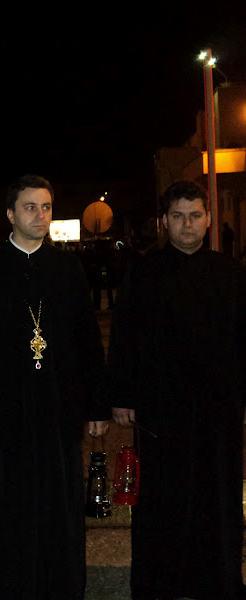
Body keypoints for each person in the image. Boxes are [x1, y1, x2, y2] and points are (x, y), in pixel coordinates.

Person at [0, 174, 108, 600]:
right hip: (8, 409)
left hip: (60, 405)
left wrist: (97, 404)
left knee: (61, 506)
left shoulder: (67, 268)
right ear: (10, 213)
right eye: (29, 207)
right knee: (11, 508)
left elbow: (87, 340)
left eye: (46, 207)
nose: (40, 215)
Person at [108, 180, 246, 600]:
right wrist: (121, 395)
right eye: (178, 216)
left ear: (209, 219)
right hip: (160, 409)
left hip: (218, 408)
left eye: (195, 215)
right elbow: (124, 338)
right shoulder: (143, 274)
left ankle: (218, 581)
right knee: (161, 499)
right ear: (164, 221)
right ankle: (159, 582)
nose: (187, 224)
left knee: (216, 496)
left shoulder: (230, 274)